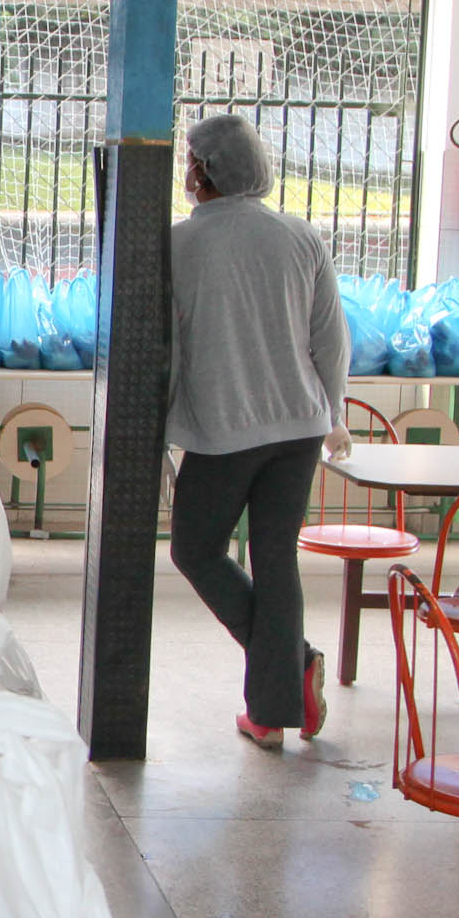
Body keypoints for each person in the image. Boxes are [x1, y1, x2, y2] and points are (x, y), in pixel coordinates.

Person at [164, 112, 350, 749]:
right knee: (277, 560)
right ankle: (272, 707)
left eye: (191, 162)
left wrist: (158, 431)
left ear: (204, 173)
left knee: (195, 549)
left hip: (225, 429)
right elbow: (331, 340)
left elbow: (166, 348)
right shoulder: (301, 237)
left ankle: (291, 668)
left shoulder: (179, 246)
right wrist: (335, 413)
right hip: (300, 425)